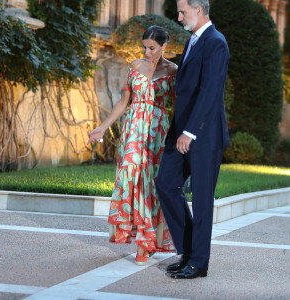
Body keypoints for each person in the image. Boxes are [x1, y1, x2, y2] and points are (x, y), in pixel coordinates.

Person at [87, 26, 177, 265]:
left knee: (150, 183)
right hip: (133, 128)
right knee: (130, 177)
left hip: (157, 133)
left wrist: (180, 138)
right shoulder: (135, 66)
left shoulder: (174, 70)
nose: (147, 52)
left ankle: (145, 243)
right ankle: (137, 235)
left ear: (164, 46)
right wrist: (102, 127)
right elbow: (124, 101)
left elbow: (180, 107)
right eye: (144, 47)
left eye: (152, 48)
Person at [156, 0, 230, 279]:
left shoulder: (216, 42)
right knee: (165, 184)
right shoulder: (193, 41)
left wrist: (191, 131)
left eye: (182, 11)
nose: (178, 16)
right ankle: (188, 250)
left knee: (201, 200)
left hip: (204, 135)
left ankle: (198, 262)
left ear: (199, 10)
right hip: (181, 132)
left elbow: (210, 91)